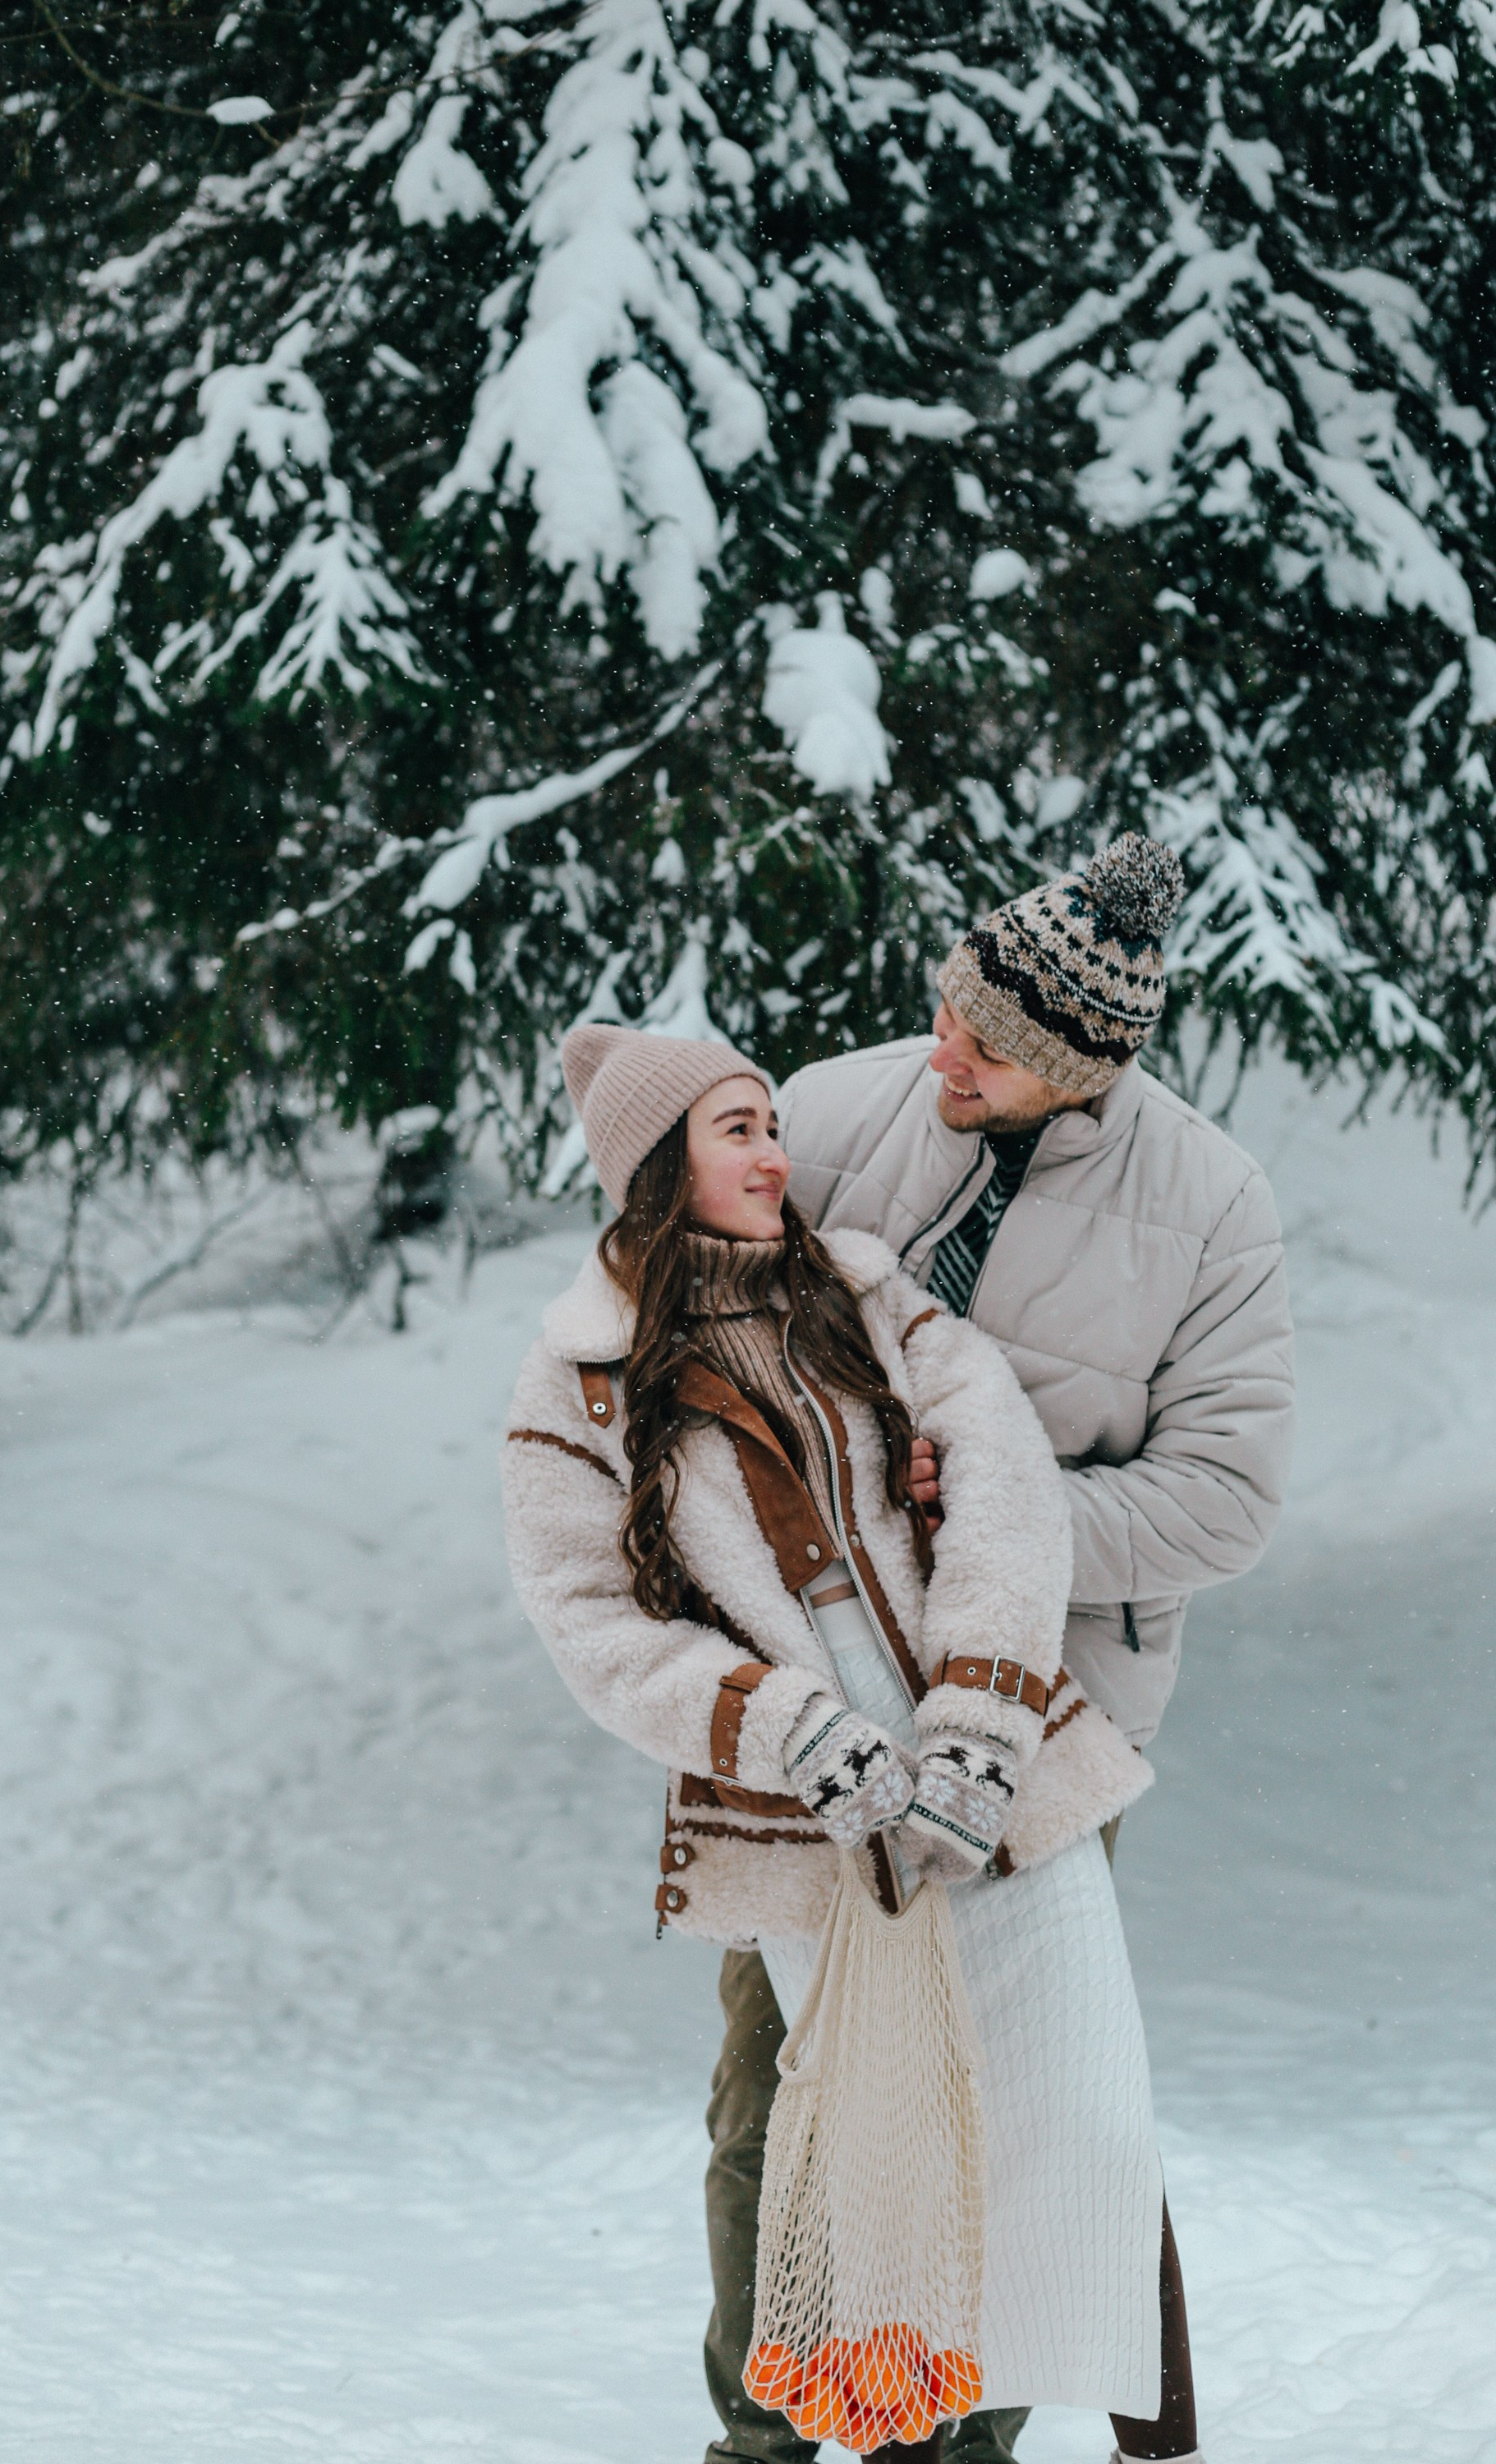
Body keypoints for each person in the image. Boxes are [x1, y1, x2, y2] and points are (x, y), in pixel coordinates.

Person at [503, 1020, 1209, 2464]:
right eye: (737, 1129)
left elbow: (1006, 1486)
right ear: (657, 1169)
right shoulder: (578, 1383)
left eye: (772, 1121)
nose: (775, 1153)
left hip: (989, 1757)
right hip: (802, 1806)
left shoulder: (869, 1295)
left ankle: (970, 2445)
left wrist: (975, 1724)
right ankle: (784, 2443)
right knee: (832, 2143)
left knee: (1058, 2114)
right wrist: (787, 1729)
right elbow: (593, 1624)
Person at [742, 832, 1295, 2464]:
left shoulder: (1207, 1206)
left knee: (1024, 2096)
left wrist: (1005, 1502)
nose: (941, 1054)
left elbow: (1226, 1501)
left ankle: (968, 2445)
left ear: (1080, 1065)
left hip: (1046, 1711)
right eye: (944, 1009)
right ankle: (759, 2439)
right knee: (777, 2081)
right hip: (819, 1690)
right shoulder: (841, 1113)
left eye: (983, 1041)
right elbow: (696, 1333)